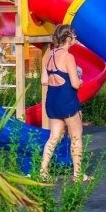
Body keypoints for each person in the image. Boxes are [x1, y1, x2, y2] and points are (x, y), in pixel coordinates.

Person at [40, 24, 90, 182]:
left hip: (52, 100)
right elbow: (75, 84)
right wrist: (80, 80)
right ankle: (78, 174)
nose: (75, 39)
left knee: (53, 137)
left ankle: (42, 171)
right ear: (68, 38)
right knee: (76, 137)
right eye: (74, 37)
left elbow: (44, 80)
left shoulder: (49, 55)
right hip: (67, 100)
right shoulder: (68, 57)